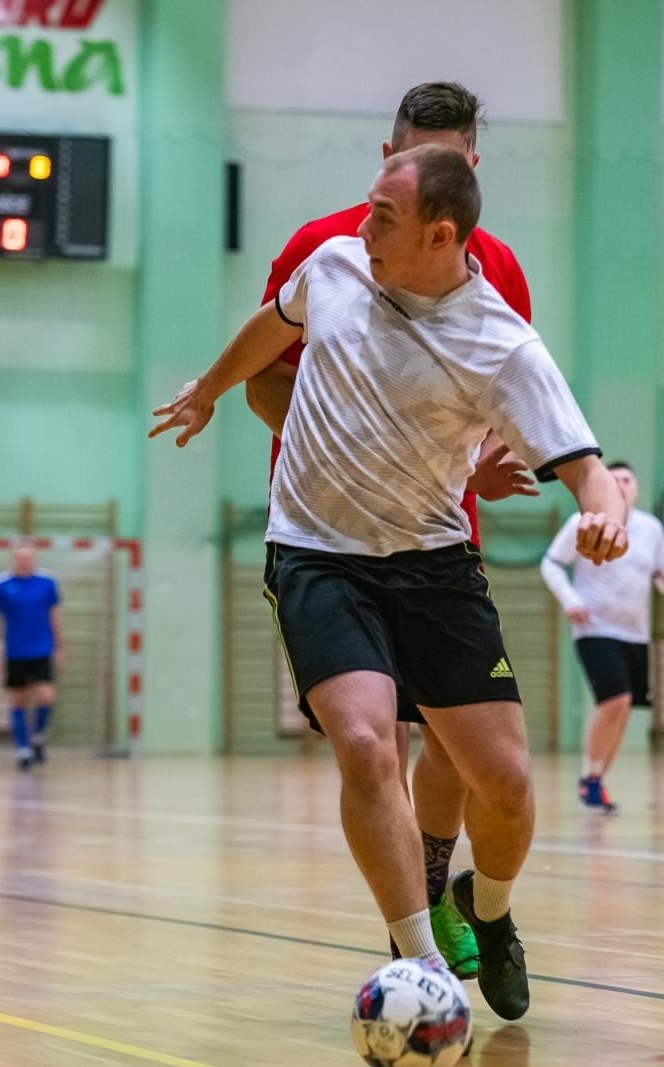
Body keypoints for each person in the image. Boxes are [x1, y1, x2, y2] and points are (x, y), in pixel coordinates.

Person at [151, 144, 628, 1021]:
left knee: (505, 784)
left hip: (433, 564)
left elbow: (586, 467)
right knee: (368, 744)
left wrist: (607, 513)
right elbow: (272, 325)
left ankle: (490, 909)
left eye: (383, 216)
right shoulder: (334, 265)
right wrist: (211, 387)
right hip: (317, 553)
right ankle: (423, 969)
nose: (363, 226)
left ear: (440, 235)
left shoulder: (502, 345)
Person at [245, 82, 538, 980]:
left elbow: (502, 396)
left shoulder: (498, 267)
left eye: (457, 162)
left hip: (441, 535)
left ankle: (448, 889)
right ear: (389, 158)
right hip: (332, 538)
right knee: (376, 739)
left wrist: (486, 459)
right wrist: (357, 451)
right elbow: (263, 377)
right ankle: (417, 945)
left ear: (472, 171)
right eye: (419, 158)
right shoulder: (324, 249)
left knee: (462, 746)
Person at [540, 461, 664, 812]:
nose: (621, 485)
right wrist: (570, 600)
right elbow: (550, 563)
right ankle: (588, 775)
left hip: (636, 634)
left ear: (636, 488)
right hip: (595, 628)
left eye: (627, 480)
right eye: (614, 479)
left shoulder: (651, 529)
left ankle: (596, 779)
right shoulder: (583, 523)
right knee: (615, 699)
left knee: (625, 707)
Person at [0, 543, 63, 771]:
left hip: (42, 649)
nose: (24, 562)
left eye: (28, 558)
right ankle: (23, 749)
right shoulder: (2, 585)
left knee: (46, 696)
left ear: (34, 559)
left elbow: (54, 616)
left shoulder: (46, 583)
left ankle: (37, 736)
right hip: (15, 652)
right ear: (14, 559)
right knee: (18, 700)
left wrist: (60, 646)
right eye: (20, 558)